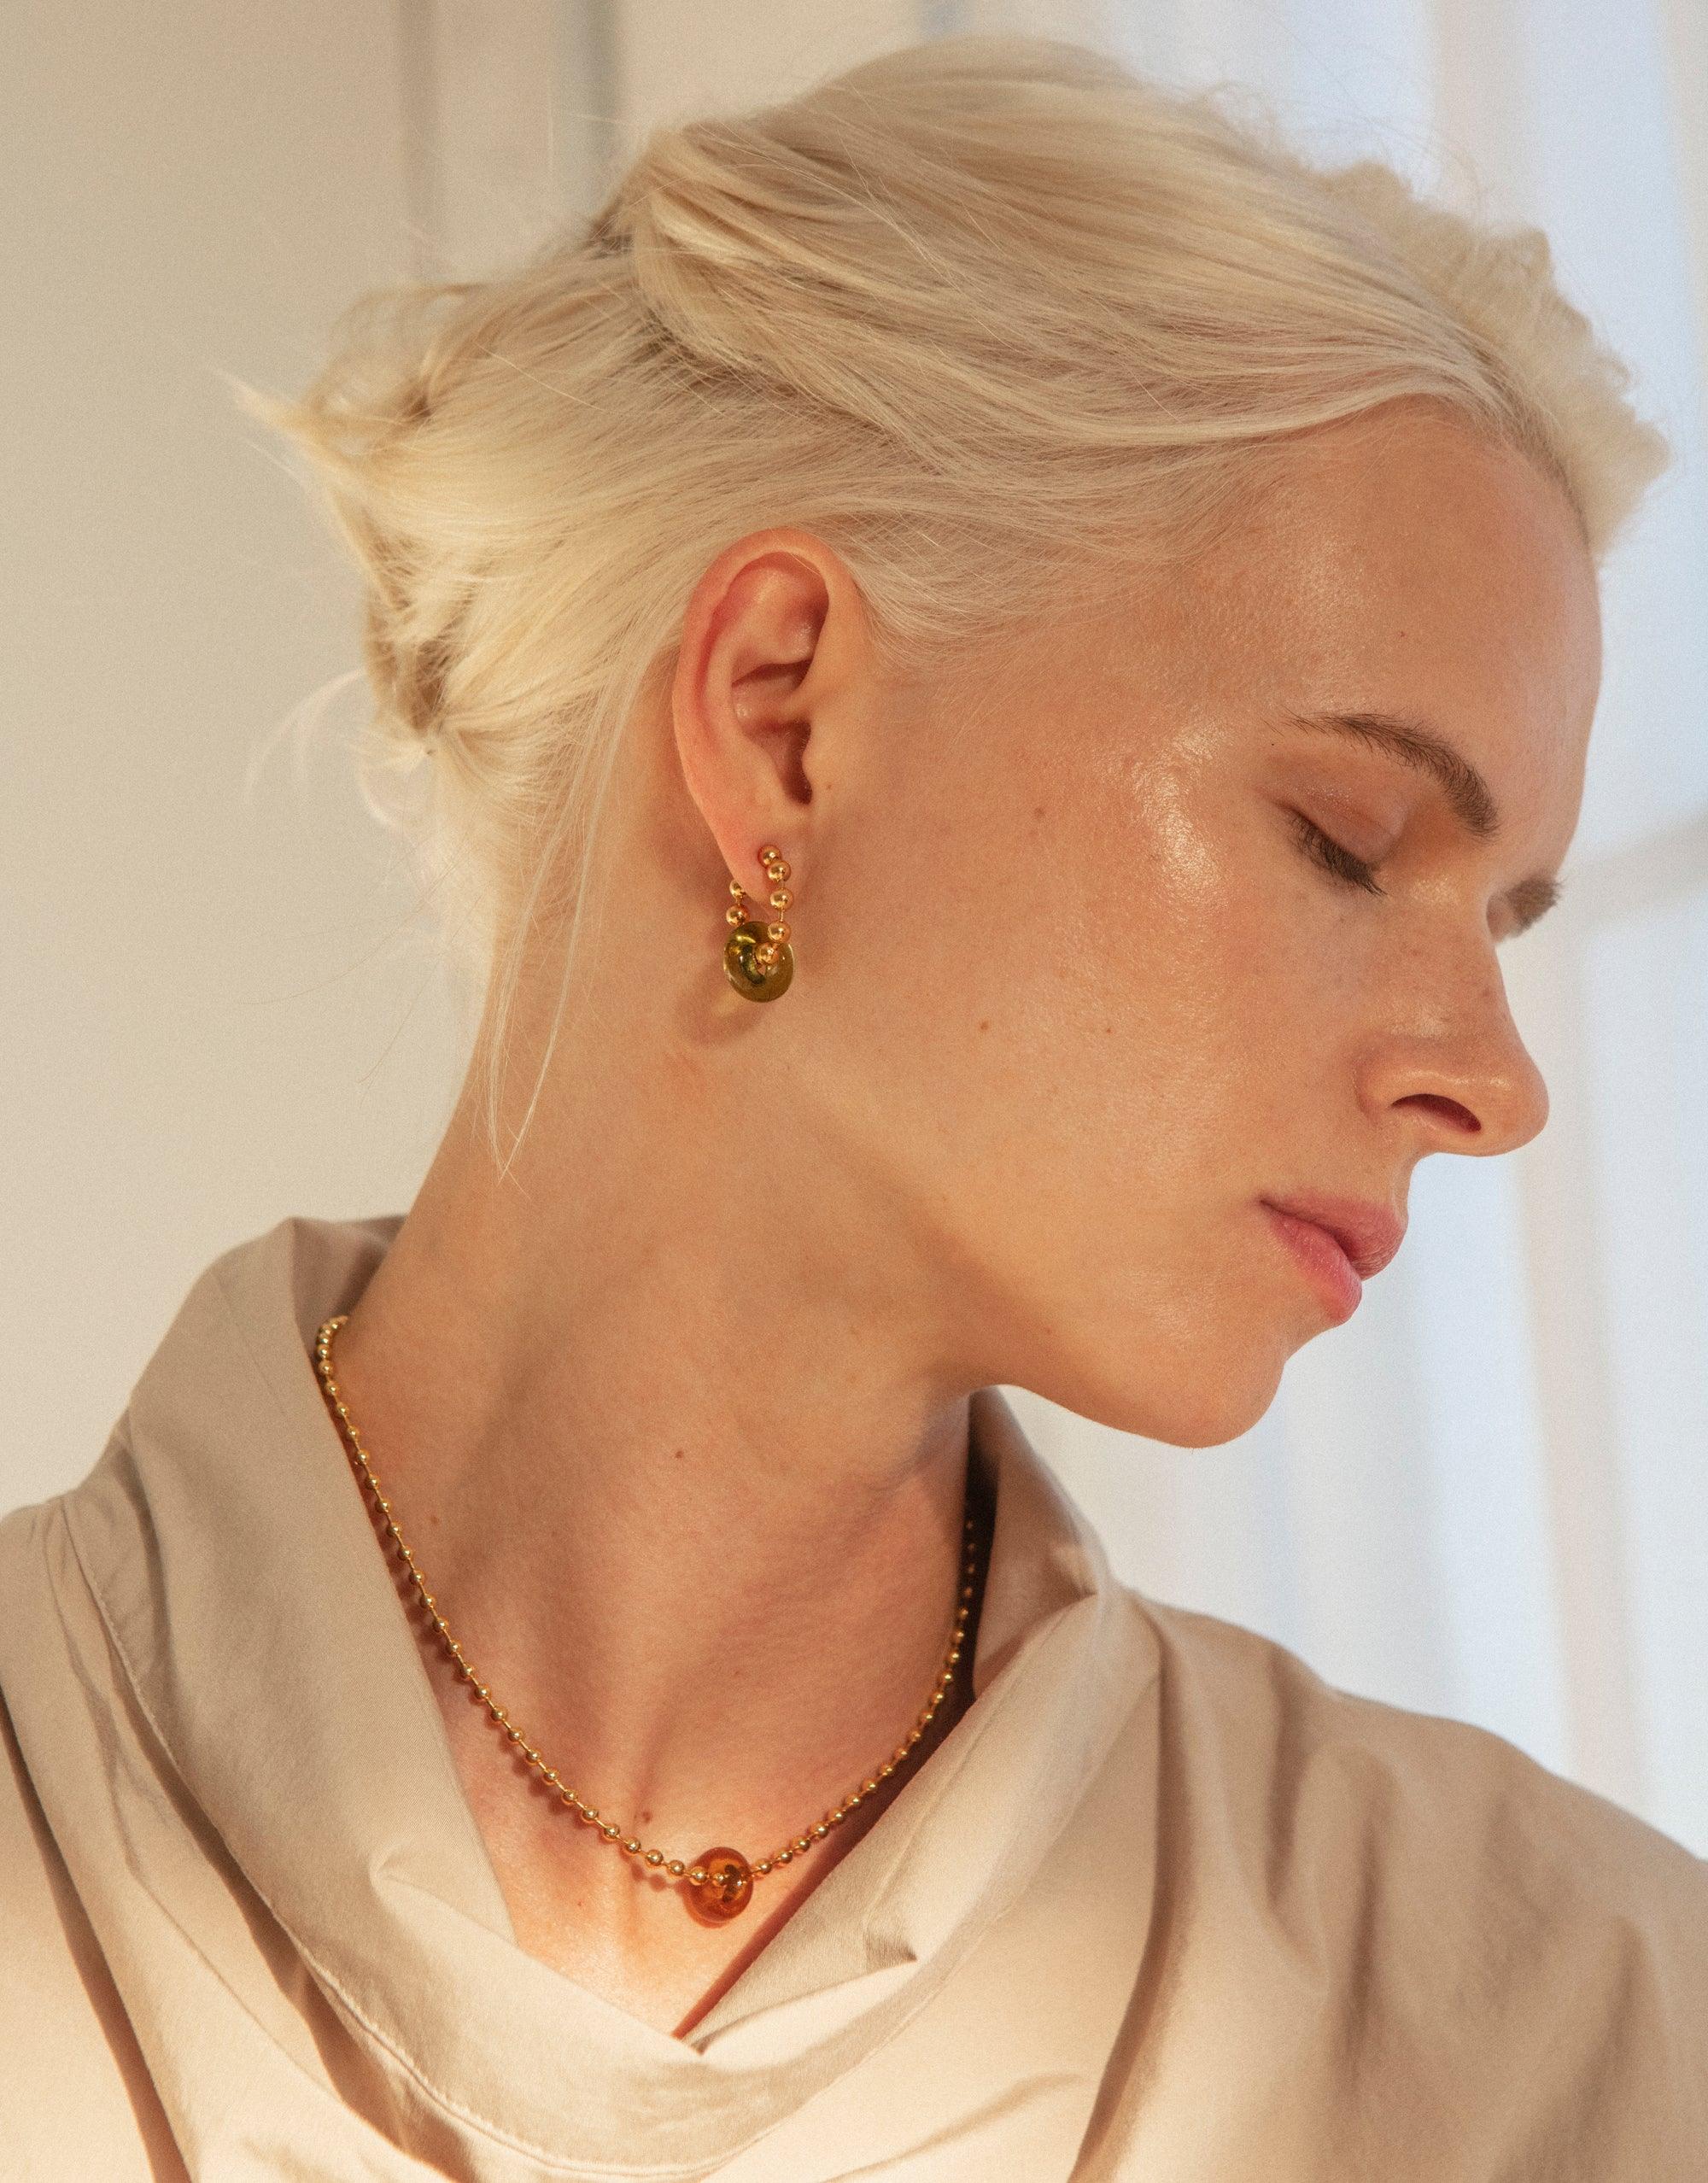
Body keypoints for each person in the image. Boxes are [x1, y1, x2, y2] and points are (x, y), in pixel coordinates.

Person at [3, 30, 1703, 2180]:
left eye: (1510, 917)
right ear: (782, 717)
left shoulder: (1581, 2035)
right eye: (1346, 841)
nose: (1494, 1080)